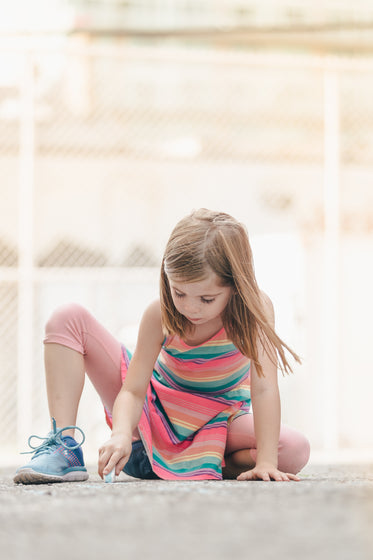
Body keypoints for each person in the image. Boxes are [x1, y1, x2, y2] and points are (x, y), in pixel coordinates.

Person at [14, 209, 310, 484]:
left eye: (206, 299)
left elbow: (264, 388)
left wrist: (267, 462)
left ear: (235, 285)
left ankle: (191, 463)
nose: (190, 308)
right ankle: (64, 448)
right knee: (68, 317)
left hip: (217, 425)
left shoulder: (254, 310)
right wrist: (119, 434)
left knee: (294, 450)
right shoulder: (160, 313)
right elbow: (133, 389)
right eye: (179, 292)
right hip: (145, 432)